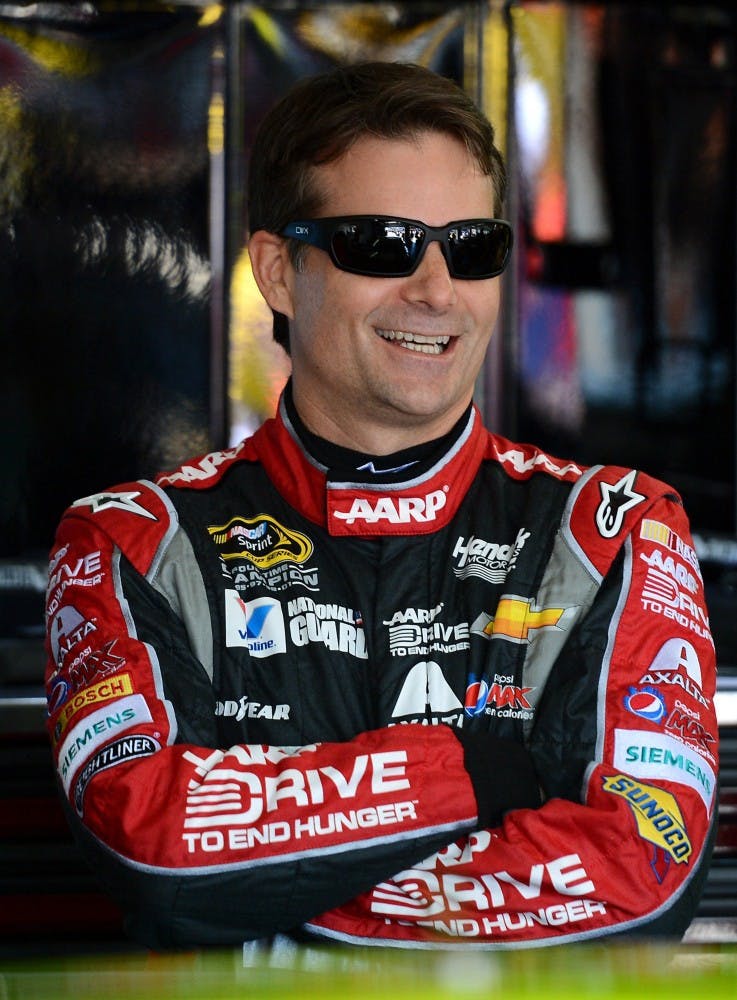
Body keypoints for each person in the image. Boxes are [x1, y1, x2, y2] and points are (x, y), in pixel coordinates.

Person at [44, 60, 718, 950]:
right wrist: (480, 768)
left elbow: (641, 871)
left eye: (471, 246)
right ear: (278, 273)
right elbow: (156, 850)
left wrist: (265, 893)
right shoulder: (130, 543)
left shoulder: (616, 527)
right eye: (381, 243)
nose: (437, 290)